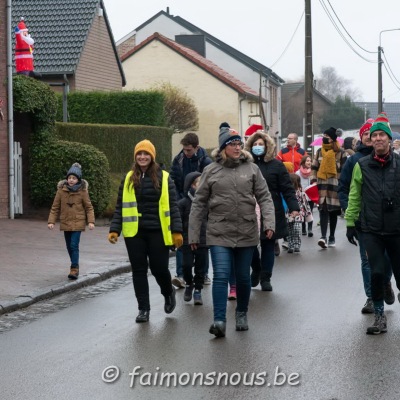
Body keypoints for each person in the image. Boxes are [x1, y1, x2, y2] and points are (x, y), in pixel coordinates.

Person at [189, 125, 275, 337]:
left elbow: (264, 197)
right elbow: (199, 203)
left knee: (243, 278)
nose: (237, 148)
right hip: (218, 231)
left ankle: (242, 313)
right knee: (220, 276)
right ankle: (219, 320)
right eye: (232, 144)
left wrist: (269, 223)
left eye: (239, 144)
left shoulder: (252, 169)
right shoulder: (211, 171)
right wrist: (193, 234)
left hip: (246, 231)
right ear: (223, 148)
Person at [108, 140, 183, 323]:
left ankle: (168, 292)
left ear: (152, 156)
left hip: (158, 231)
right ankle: (143, 309)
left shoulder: (164, 177)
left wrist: (177, 231)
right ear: (135, 157)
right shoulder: (127, 178)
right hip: (134, 233)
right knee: (139, 271)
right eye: (139, 154)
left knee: (159, 269)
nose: (142, 157)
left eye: (146, 154)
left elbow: (173, 207)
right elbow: (121, 207)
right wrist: (115, 229)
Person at [345, 113, 400, 334]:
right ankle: (379, 317)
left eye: (381, 135)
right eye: (374, 135)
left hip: (397, 229)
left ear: (388, 139)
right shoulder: (362, 165)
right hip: (371, 229)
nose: (377, 138)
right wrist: (350, 222)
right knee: (376, 273)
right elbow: (354, 195)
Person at [244, 130, 299, 290]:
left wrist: (293, 206)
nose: (258, 147)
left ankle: (266, 277)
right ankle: (257, 269)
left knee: (268, 244)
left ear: (267, 146)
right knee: (250, 245)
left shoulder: (276, 165)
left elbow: (287, 188)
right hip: (249, 210)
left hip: (271, 209)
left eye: (261, 144)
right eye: (255, 144)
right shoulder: (246, 165)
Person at [170, 132, 212, 289]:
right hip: (184, 200)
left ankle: (204, 273)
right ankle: (181, 275)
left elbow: (209, 182)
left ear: (196, 147)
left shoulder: (206, 161)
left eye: (189, 150)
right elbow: (174, 180)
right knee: (182, 239)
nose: (186, 152)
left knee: (202, 242)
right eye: (184, 149)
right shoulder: (178, 159)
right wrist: (180, 200)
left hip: (201, 202)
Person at [48, 162, 95, 280]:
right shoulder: (61, 191)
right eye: (69, 178)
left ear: (78, 179)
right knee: (69, 246)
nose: (71, 180)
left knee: (74, 245)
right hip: (65, 222)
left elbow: (89, 207)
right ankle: (74, 265)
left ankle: (74, 268)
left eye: (74, 178)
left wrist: (91, 221)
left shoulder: (83, 192)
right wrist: (51, 221)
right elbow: (55, 207)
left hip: (78, 222)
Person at [311, 127, 347, 249]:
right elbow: (314, 167)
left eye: (327, 136)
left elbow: (344, 170)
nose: (325, 138)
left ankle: (332, 236)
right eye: (324, 136)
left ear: (333, 139)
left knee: (333, 212)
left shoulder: (341, 152)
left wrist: (342, 184)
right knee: (323, 210)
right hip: (321, 185)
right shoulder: (319, 152)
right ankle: (323, 237)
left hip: (335, 186)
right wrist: (313, 180)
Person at [178, 171, 207, 306]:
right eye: (198, 183)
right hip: (187, 241)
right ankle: (189, 283)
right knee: (186, 265)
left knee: (201, 267)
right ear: (191, 185)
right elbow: (178, 222)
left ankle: (198, 290)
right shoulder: (183, 203)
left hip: (203, 240)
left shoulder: (206, 202)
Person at [286, 173, 312, 253]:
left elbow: (305, 203)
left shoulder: (301, 192)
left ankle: (297, 245)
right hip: (288, 214)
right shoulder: (287, 193)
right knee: (289, 230)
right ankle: (290, 245)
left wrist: (307, 213)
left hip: (298, 214)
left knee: (296, 229)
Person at [296, 155, 315, 237]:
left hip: (311, 195)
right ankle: (303, 228)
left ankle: (310, 229)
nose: (309, 162)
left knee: (310, 211)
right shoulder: (298, 173)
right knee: (303, 212)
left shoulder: (313, 172)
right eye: (307, 161)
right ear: (303, 162)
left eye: (310, 161)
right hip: (302, 195)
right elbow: (296, 183)